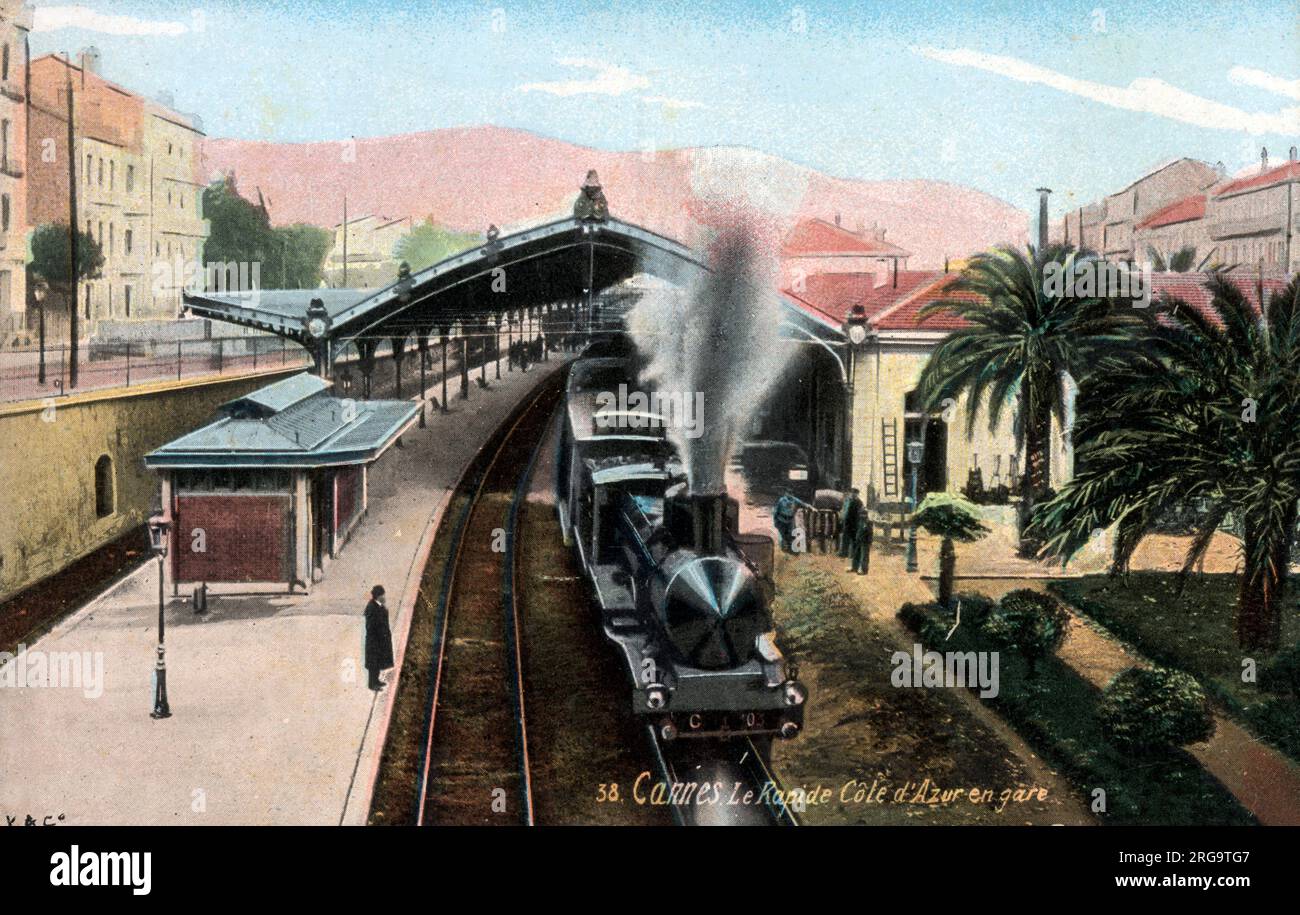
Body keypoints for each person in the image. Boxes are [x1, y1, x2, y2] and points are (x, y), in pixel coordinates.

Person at [364, 585, 394, 690]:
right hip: (374, 641)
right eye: (383, 595)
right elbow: (370, 626)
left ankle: (376, 681)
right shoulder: (372, 608)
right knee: (373, 664)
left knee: (377, 662)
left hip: (379, 640)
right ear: (378, 596)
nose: (384, 597)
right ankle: (372, 684)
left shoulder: (379, 606)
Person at [773, 489, 812, 554]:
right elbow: (776, 511)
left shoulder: (795, 500)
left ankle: (790, 550)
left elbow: (803, 504)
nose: (790, 494)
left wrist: (810, 507)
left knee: (791, 535)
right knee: (783, 535)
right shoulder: (781, 500)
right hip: (781, 520)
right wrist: (775, 521)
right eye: (788, 493)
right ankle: (783, 550)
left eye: (791, 493)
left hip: (790, 520)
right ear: (786, 493)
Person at [838, 488, 863, 558]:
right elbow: (845, 510)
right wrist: (842, 518)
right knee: (845, 538)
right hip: (847, 522)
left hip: (855, 522)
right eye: (852, 493)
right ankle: (844, 553)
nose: (853, 494)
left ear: (857, 494)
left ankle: (854, 554)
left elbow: (860, 512)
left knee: (854, 538)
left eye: (855, 493)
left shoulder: (859, 502)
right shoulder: (848, 501)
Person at [850, 504, 874, 575]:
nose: (862, 516)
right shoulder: (859, 522)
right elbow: (857, 531)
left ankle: (864, 570)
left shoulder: (868, 522)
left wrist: (870, 541)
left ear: (866, 515)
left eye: (863, 514)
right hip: (859, 540)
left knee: (864, 556)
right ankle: (854, 568)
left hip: (865, 541)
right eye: (861, 514)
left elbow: (870, 533)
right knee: (856, 554)